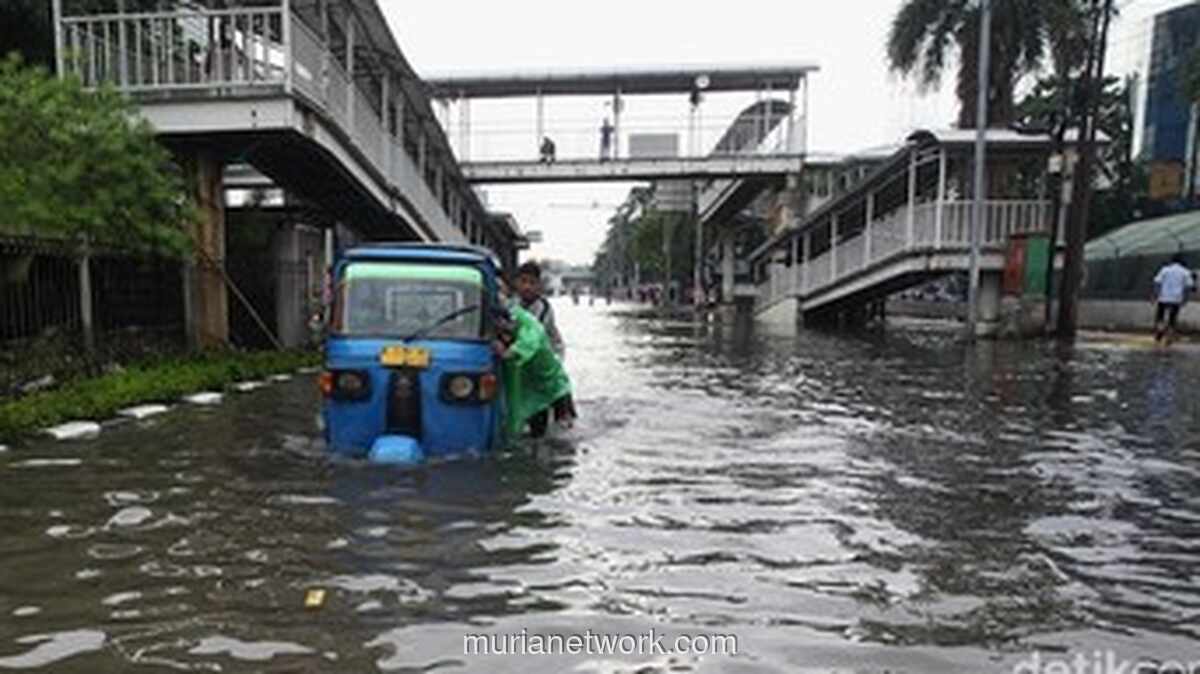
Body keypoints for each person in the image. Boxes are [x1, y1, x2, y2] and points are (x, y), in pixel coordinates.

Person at [491, 304, 576, 439]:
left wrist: (505, 352)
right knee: (536, 436)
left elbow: (527, 344)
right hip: (531, 391)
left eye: (500, 327)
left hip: (553, 384)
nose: (499, 332)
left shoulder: (528, 324)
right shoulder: (504, 324)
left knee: (565, 433)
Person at [514, 261, 565, 359]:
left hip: (547, 357)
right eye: (523, 281)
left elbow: (532, 335)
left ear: (538, 285)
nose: (527, 287)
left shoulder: (543, 308)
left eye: (532, 283)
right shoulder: (512, 303)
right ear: (516, 282)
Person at [1151, 253, 1195, 344]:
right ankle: (1169, 338)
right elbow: (1188, 287)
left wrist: (1155, 295)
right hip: (1176, 299)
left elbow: (1157, 282)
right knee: (1172, 318)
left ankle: (1160, 331)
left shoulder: (1165, 270)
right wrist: (1185, 299)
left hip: (1163, 297)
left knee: (1160, 316)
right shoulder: (1185, 272)